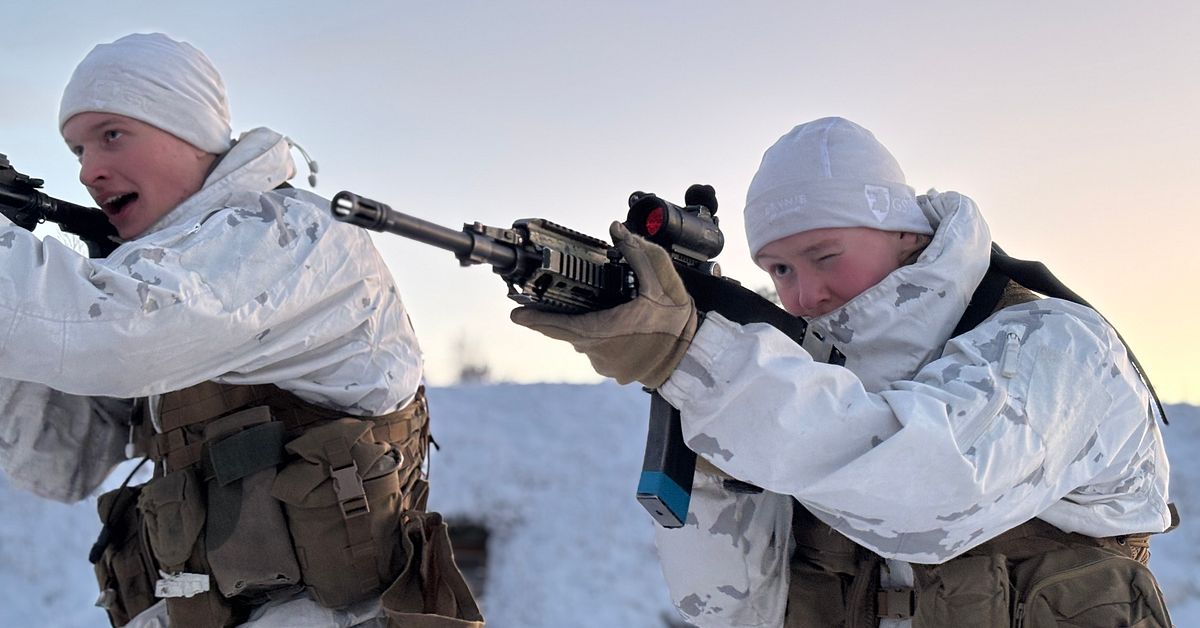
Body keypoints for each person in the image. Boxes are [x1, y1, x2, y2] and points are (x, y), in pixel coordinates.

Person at [512, 117, 1175, 627]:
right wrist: (711, 438)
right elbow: (734, 607)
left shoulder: (1056, 343)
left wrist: (699, 361)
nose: (804, 295)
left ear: (905, 231)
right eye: (779, 270)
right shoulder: (796, 377)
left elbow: (934, 495)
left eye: (823, 255)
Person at [0, 33, 479, 628]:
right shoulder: (170, 277)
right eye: (76, 151)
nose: (89, 173)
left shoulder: (290, 233)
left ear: (189, 129)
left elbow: (118, 332)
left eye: (112, 135)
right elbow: (58, 461)